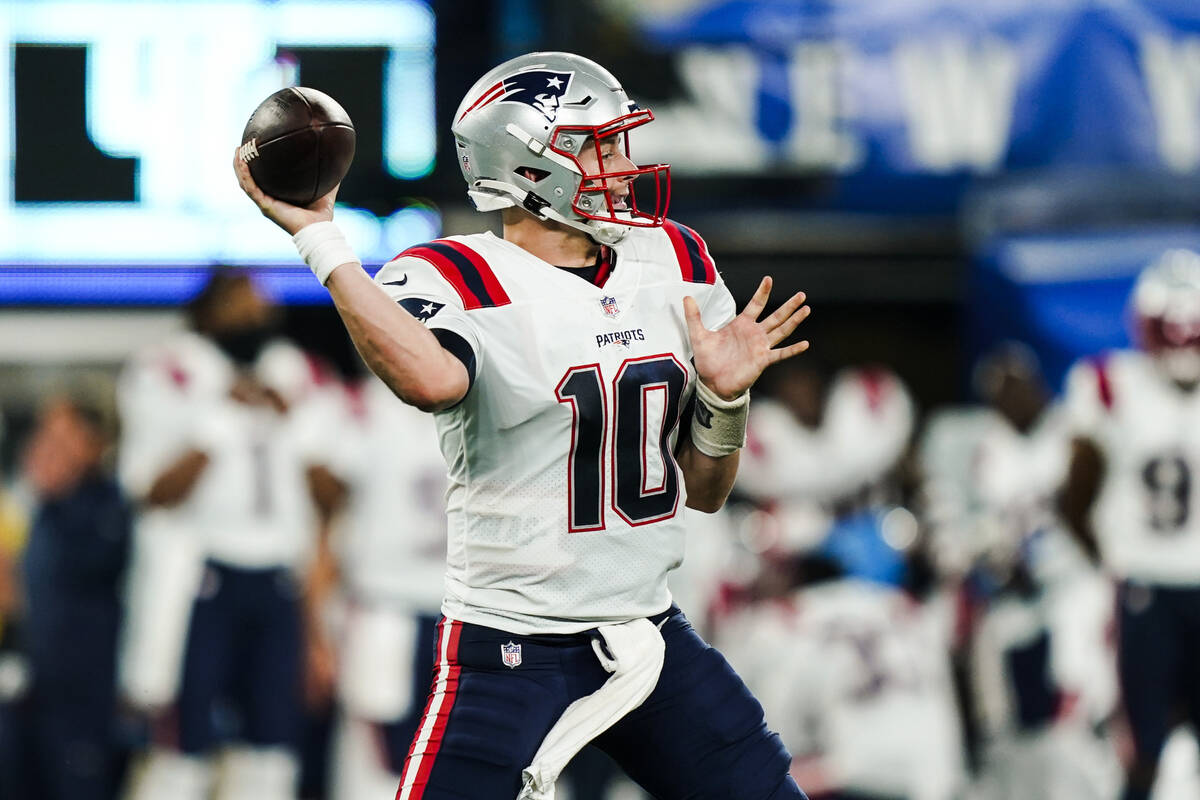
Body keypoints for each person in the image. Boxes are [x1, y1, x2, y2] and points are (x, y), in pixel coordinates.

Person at [236, 51, 812, 799]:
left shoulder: (675, 257)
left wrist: (724, 399)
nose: (621, 162)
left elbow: (704, 490)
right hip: (509, 646)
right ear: (527, 166)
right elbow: (431, 379)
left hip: (646, 634)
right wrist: (321, 238)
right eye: (595, 144)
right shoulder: (452, 275)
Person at [117, 271, 340, 800]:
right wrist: (218, 419)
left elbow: (334, 495)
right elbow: (151, 491)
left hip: (280, 575)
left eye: (261, 307)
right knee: (181, 745)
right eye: (242, 306)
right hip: (199, 572)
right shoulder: (167, 369)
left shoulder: (293, 371)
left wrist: (299, 428)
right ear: (209, 312)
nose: (256, 318)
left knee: (271, 751)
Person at [1061, 250, 1200, 800]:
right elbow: (1076, 495)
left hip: (1145, 583)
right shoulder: (1111, 384)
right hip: (1144, 585)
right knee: (1140, 744)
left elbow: (1074, 499)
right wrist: (1110, 561)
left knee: (1144, 742)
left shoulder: (1109, 383)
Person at [13, 394, 132, 800]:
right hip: (41, 692)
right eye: (43, 438)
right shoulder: (44, 510)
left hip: (86, 698)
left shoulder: (107, 507)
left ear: (94, 445)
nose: (46, 450)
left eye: (62, 440)